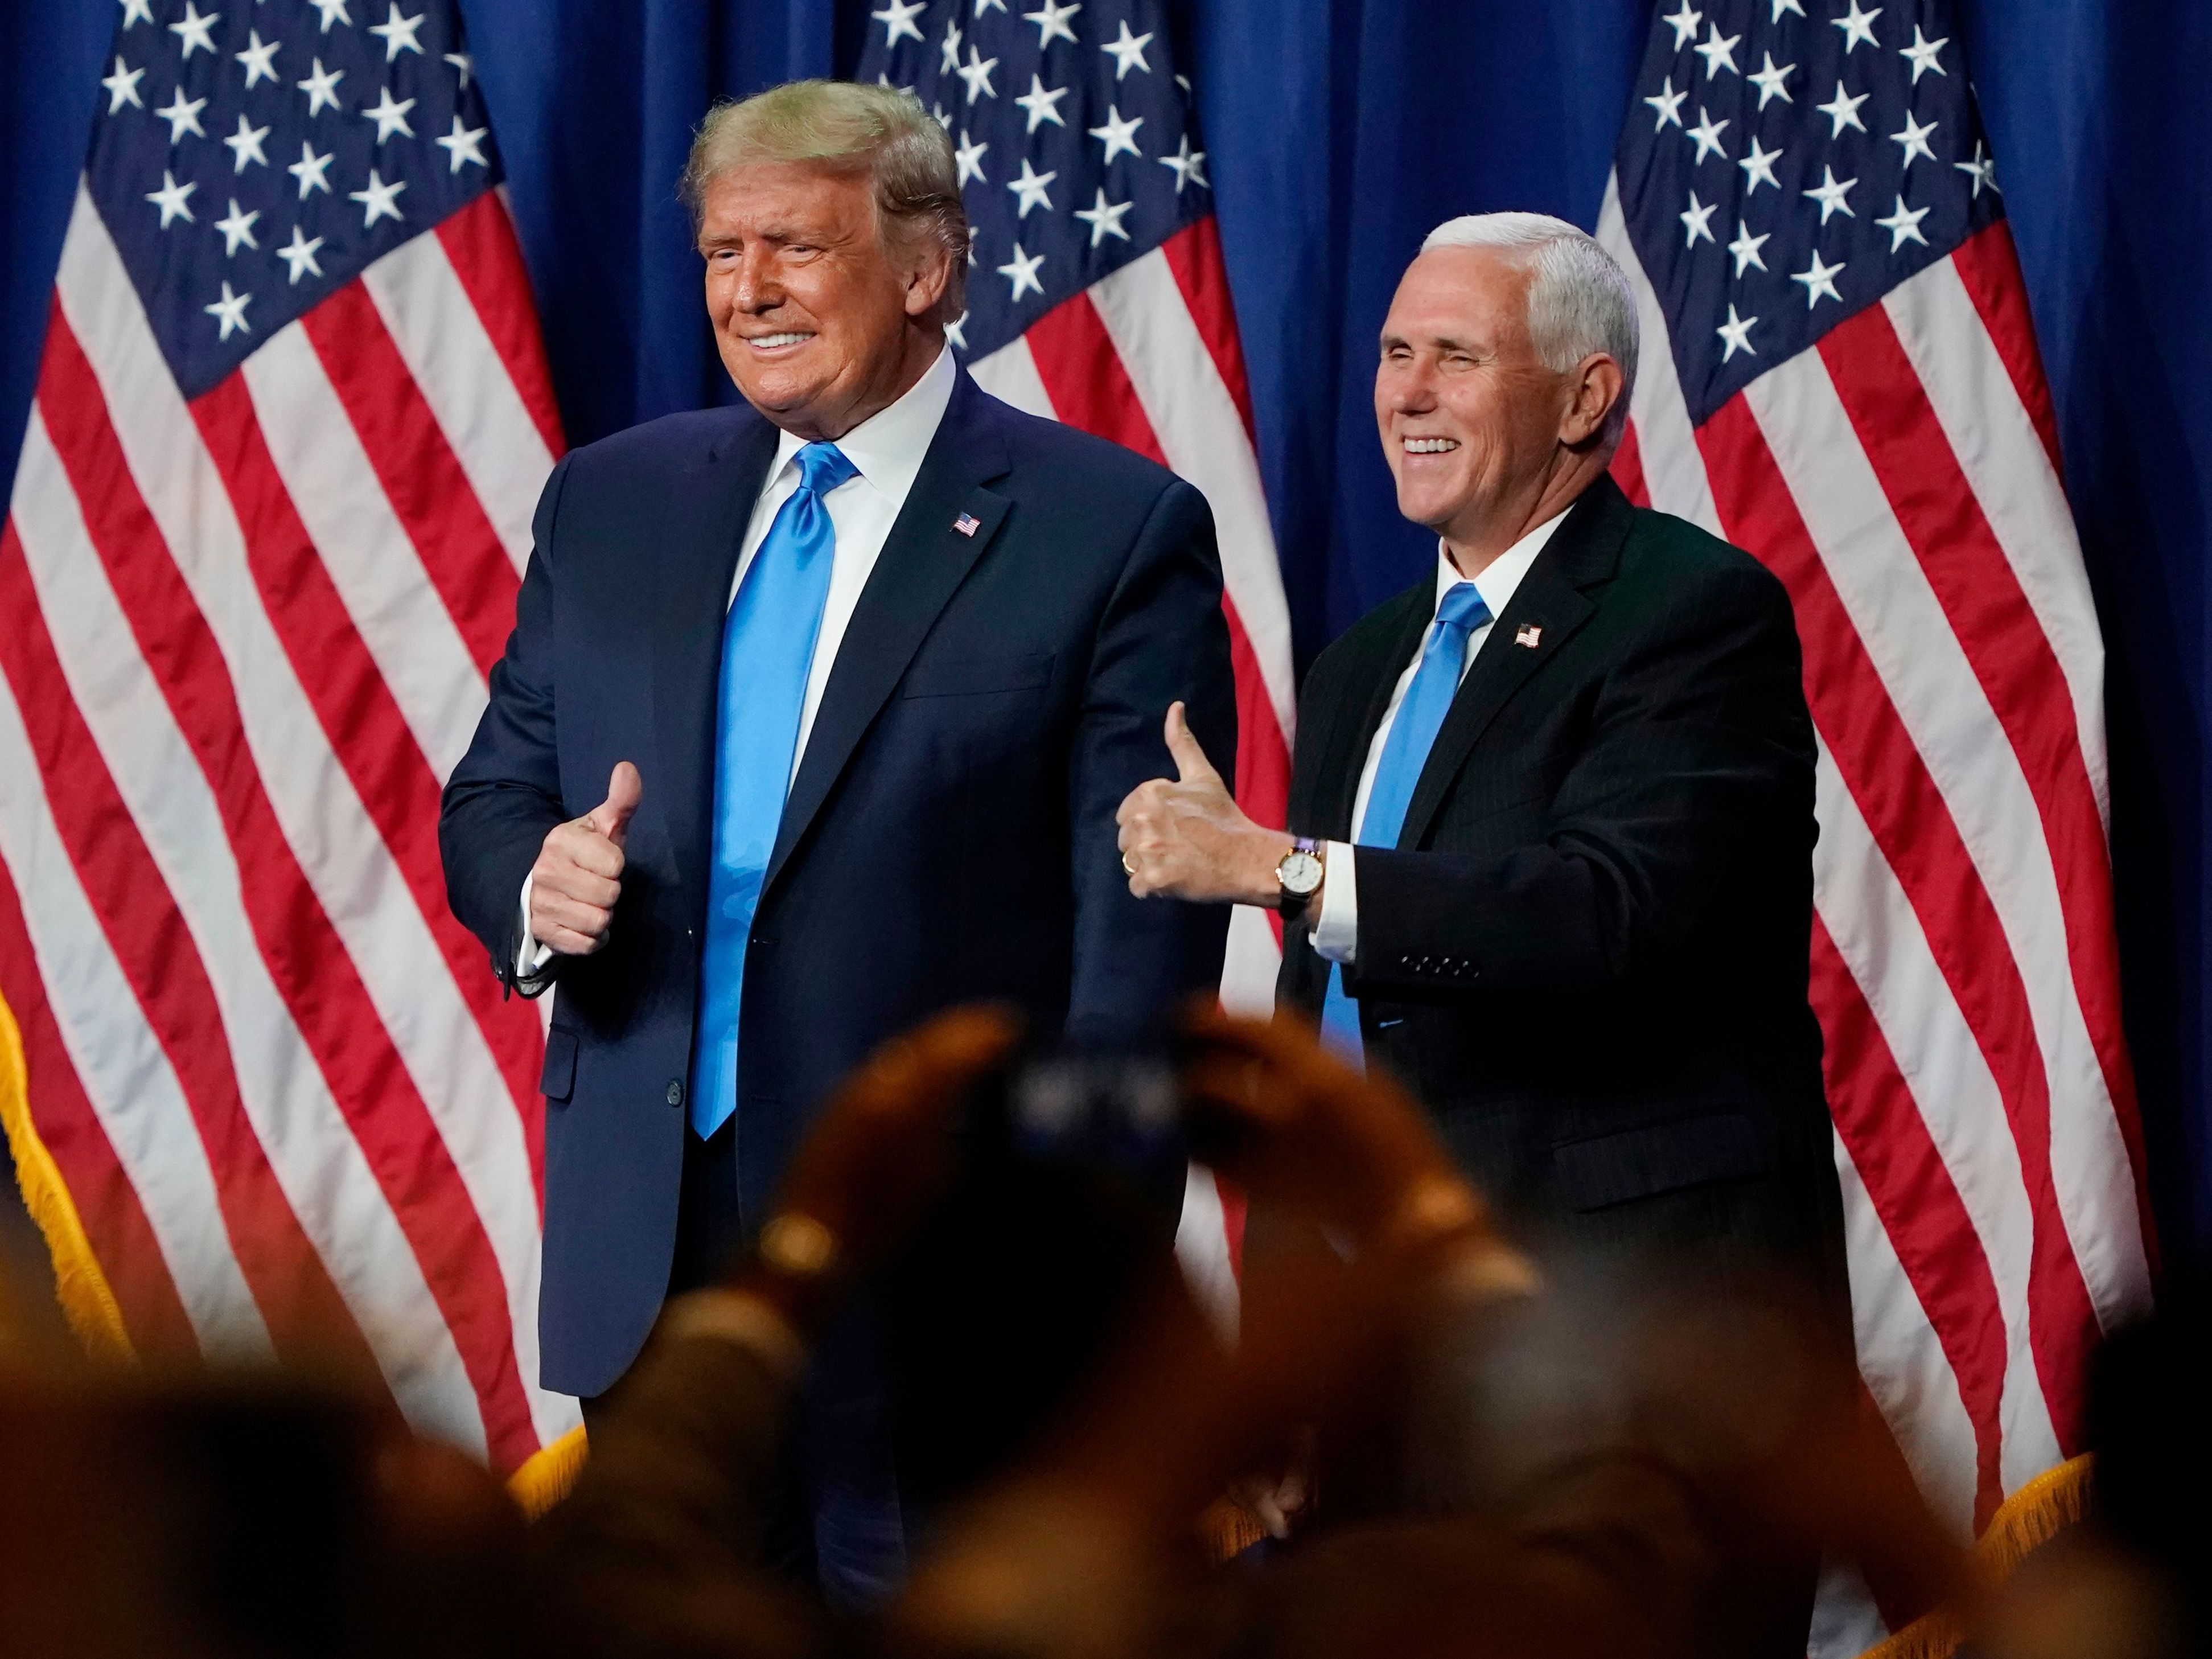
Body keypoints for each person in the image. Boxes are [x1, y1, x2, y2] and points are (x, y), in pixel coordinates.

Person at [439, 78, 1236, 1599]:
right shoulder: (614, 503)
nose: (747, 291)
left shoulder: (1107, 529)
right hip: (652, 1257)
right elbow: (490, 800)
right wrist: (539, 889)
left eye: (793, 249)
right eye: (721, 254)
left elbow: (1133, 962)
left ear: (924, 266)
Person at [1115, 210, 1846, 1317]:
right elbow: (1321, 1026)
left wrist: (1291, 872)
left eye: (1454, 357)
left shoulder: (1690, 608)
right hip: (1374, 1327)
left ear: (1582, 398)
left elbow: (1609, 913)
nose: (1406, 393)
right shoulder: (1359, 665)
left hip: (1620, 1323)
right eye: (1394, 354)